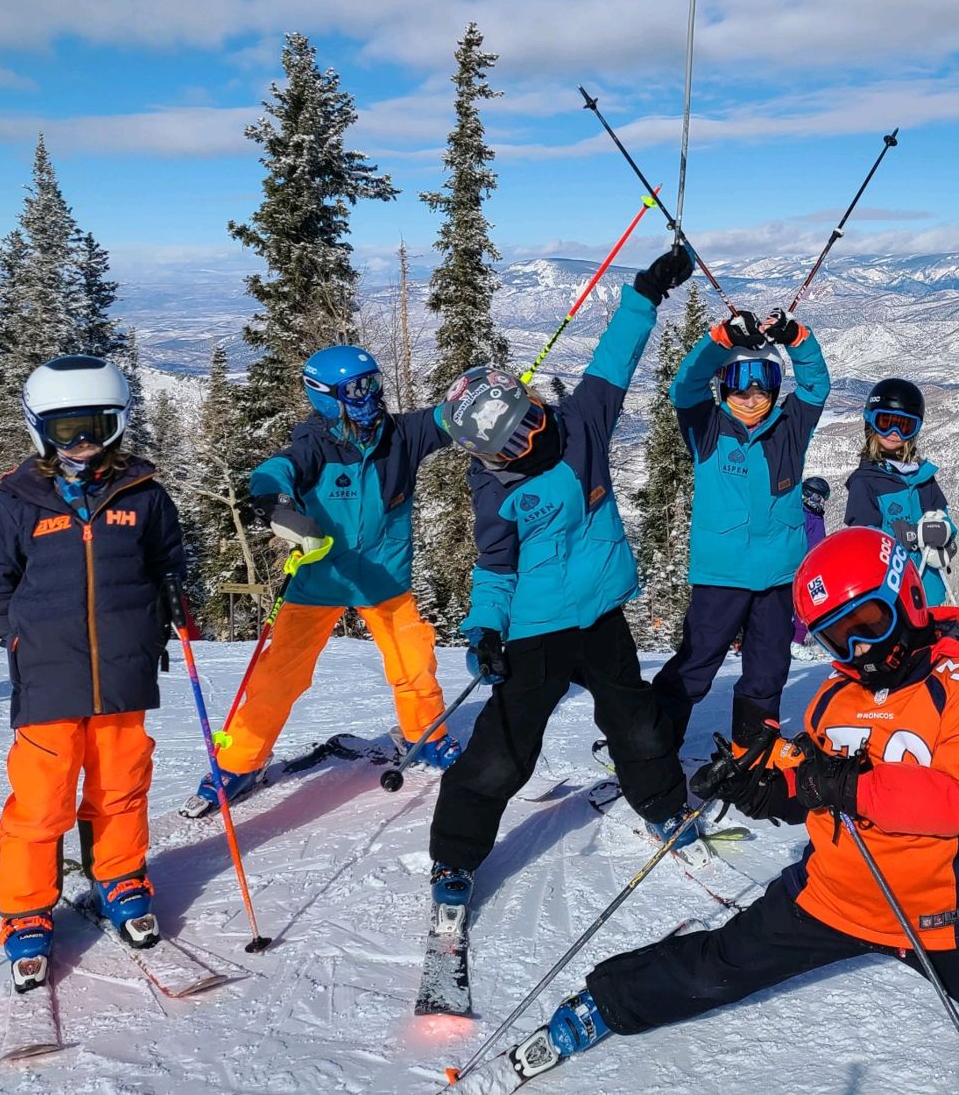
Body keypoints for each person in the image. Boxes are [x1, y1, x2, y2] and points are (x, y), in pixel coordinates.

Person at [503, 526, 959, 1095]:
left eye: (866, 624)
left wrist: (838, 786)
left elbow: (954, 802)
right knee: (717, 967)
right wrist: (767, 778)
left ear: (906, 597)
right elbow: (809, 769)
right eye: (837, 637)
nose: (857, 650)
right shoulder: (838, 695)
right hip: (832, 899)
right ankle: (602, 1004)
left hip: (937, 917)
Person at [425, 244, 704, 919]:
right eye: (507, 446)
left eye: (528, 425)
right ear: (484, 455)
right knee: (504, 752)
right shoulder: (495, 492)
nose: (527, 444)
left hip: (601, 615)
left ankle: (665, 807)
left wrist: (646, 292)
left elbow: (614, 359)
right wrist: (486, 628)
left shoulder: (579, 426)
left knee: (634, 723)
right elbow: (494, 568)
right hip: (536, 631)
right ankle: (456, 857)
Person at [0, 356, 186, 988]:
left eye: (96, 426)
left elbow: (167, 560)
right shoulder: (17, 503)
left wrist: (163, 611)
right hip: (49, 678)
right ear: (41, 431)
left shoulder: (143, 496)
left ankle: (120, 876)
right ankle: (26, 910)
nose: (84, 444)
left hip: (124, 672)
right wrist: (23, 638)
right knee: (41, 802)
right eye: (67, 431)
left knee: (122, 783)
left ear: (119, 425)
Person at [192, 344, 456, 813]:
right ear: (325, 397)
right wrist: (277, 509)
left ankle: (426, 735)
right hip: (320, 580)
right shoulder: (314, 445)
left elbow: (448, 418)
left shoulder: (401, 436)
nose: (370, 396)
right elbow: (274, 472)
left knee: (413, 660)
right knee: (278, 677)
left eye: (374, 383)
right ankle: (237, 762)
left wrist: (482, 401)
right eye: (355, 389)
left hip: (384, 581)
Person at [651, 304, 829, 750]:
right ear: (722, 387)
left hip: (776, 576)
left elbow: (816, 384)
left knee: (768, 667)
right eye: (738, 383)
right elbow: (685, 386)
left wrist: (798, 339)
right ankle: (650, 742)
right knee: (696, 662)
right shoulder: (707, 427)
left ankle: (752, 746)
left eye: (763, 383)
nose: (751, 396)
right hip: (721, 575)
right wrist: (722, 340)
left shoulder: (789, 428)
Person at [842, 376, 957, 602]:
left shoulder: (923, 477)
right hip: (891, 595)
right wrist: (914, 534)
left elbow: (947, 524)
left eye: (904, 425)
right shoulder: (865, 483)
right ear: (871, 424)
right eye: (885, 423)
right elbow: (866, 542)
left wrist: (947, 540)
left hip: (929, 593)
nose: (895, 432)